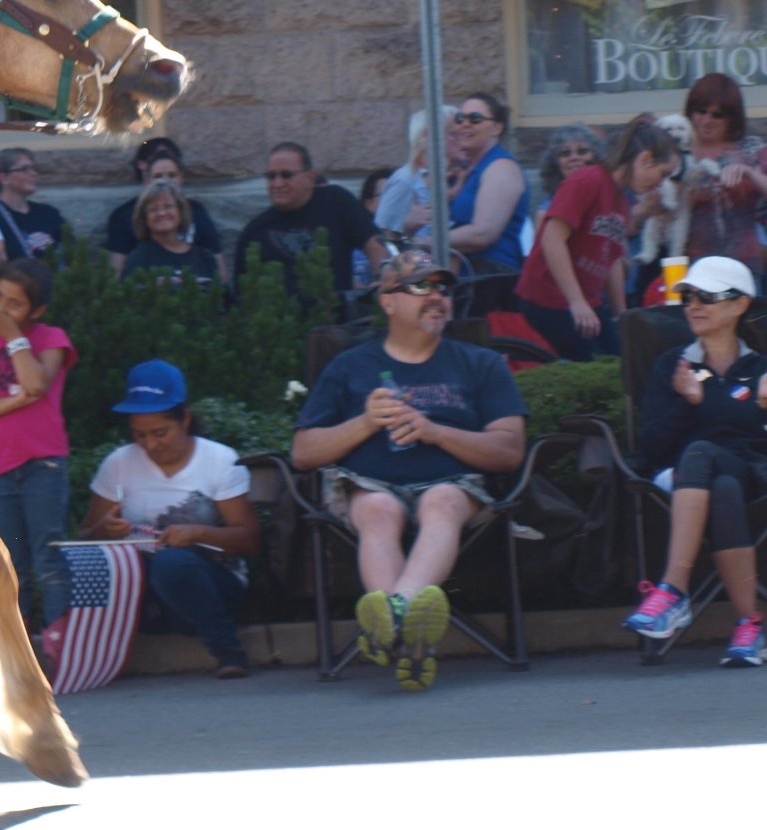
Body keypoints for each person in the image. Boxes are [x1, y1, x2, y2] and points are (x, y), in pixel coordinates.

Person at [291, 250, 527, 692]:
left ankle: (393, 617)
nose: (436, 296)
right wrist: (365, 423)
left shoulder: (480, 363)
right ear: (388, 301)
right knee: (378, 509)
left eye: (442, 287)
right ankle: (410, 637)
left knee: (441, 501)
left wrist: (435, 432)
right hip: (369, 486)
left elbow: (510, 449)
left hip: (456, 486)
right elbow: (303, 452)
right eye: (421, 286)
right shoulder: (349, 367)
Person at [620, 256, 767, 665]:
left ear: (739, 305)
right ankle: (750, 625)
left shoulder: (761, 368)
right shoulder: (674, 365)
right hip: (684, 477)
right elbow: (650, 447)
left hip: (753, 470)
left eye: (707, 296)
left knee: (705, 457)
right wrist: (687, 405)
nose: (693, 305)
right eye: (688, 296)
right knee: (715, 480)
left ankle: (672, 591)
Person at [80, 361, 261, 678]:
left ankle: (228, 651)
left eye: (160, 433)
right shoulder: (119, 464)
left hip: (214, 587)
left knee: (173, 563)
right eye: (139, 435)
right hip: (143, 592)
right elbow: (86, 538)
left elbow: (250, 539)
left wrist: (197, 533)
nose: (150, 445)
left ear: (185, 420)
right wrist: (105, 528)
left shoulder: (219, 460)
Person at [0, 258, 76, 627]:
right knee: (11, 562)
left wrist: (14, 337)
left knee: (48, 557)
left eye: (15, 303)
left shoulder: (51, 338)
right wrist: (13, 402)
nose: (0, 307)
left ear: (37, 310)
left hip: (43, 464)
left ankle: (63, 646)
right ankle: (20, 648)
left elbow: (37, 384)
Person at [515, 121, 678, 362]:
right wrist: (576, 302)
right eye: (663, 174)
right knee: (595, 368)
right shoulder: (588, 180)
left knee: (621, 364)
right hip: (549, 298)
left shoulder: (620, 201)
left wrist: (622, 315)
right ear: (645, 159)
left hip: (588, 302)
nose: (661, 183)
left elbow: (610, 261)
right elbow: (551, 239)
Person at [233, 143, 384, 311]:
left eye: (286, 175)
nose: (277, 183)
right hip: (284, 328)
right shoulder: (255, 231)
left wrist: (384, 280)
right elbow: (244, 295)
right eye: (271, 176)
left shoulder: (335, 202)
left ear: (310, 177)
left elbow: (373, 243)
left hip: (337, 325)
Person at [676, 74, 766, 280]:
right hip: (689, 267)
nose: (706, 120)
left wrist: (749, 172)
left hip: (742, 266)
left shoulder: (751, 149)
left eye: (718, 115)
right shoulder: (676, 151)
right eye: (701, 111)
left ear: (732, 118)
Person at [446, 92, 532, 281]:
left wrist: (430, 241)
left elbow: (483, 234)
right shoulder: (470, 170)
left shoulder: (501, 168)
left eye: (475, 118)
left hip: (491, 281)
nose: (465, 124)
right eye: (460, 119)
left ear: (497, 128)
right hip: (468, 277)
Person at [104, 137, 222, 274]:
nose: (166, 181)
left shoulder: (197, 213)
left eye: (172, 175)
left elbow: (220, 277)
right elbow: (116, 278)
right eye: (158, 176)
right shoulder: (125, 218)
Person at [118, 178, 225, 290]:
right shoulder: (138, 259)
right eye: (153, 209)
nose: (162, 213)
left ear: (181, 211)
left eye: (168, 206)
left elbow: (223, 299)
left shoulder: (205, 258)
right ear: (145, 218)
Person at [373, 108, 455, 245]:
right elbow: (382, 242)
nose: (460, 139)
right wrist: (407, 227)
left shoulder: (446, 177)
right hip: (416, 263)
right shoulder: (405, 180)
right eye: (453, 133)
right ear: (430, 136)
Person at [0, 148, 65, 261]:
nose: (34, 174)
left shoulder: (49, 213)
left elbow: (72, 253)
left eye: (34, 168)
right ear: (4, 178)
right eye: (25, 169)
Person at [535, 124, 603, 218]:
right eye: (565, 153)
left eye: (582, 151)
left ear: (596, 156)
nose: (574, 157)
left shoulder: (610, 197)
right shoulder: (547, 212)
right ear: (555, 162)